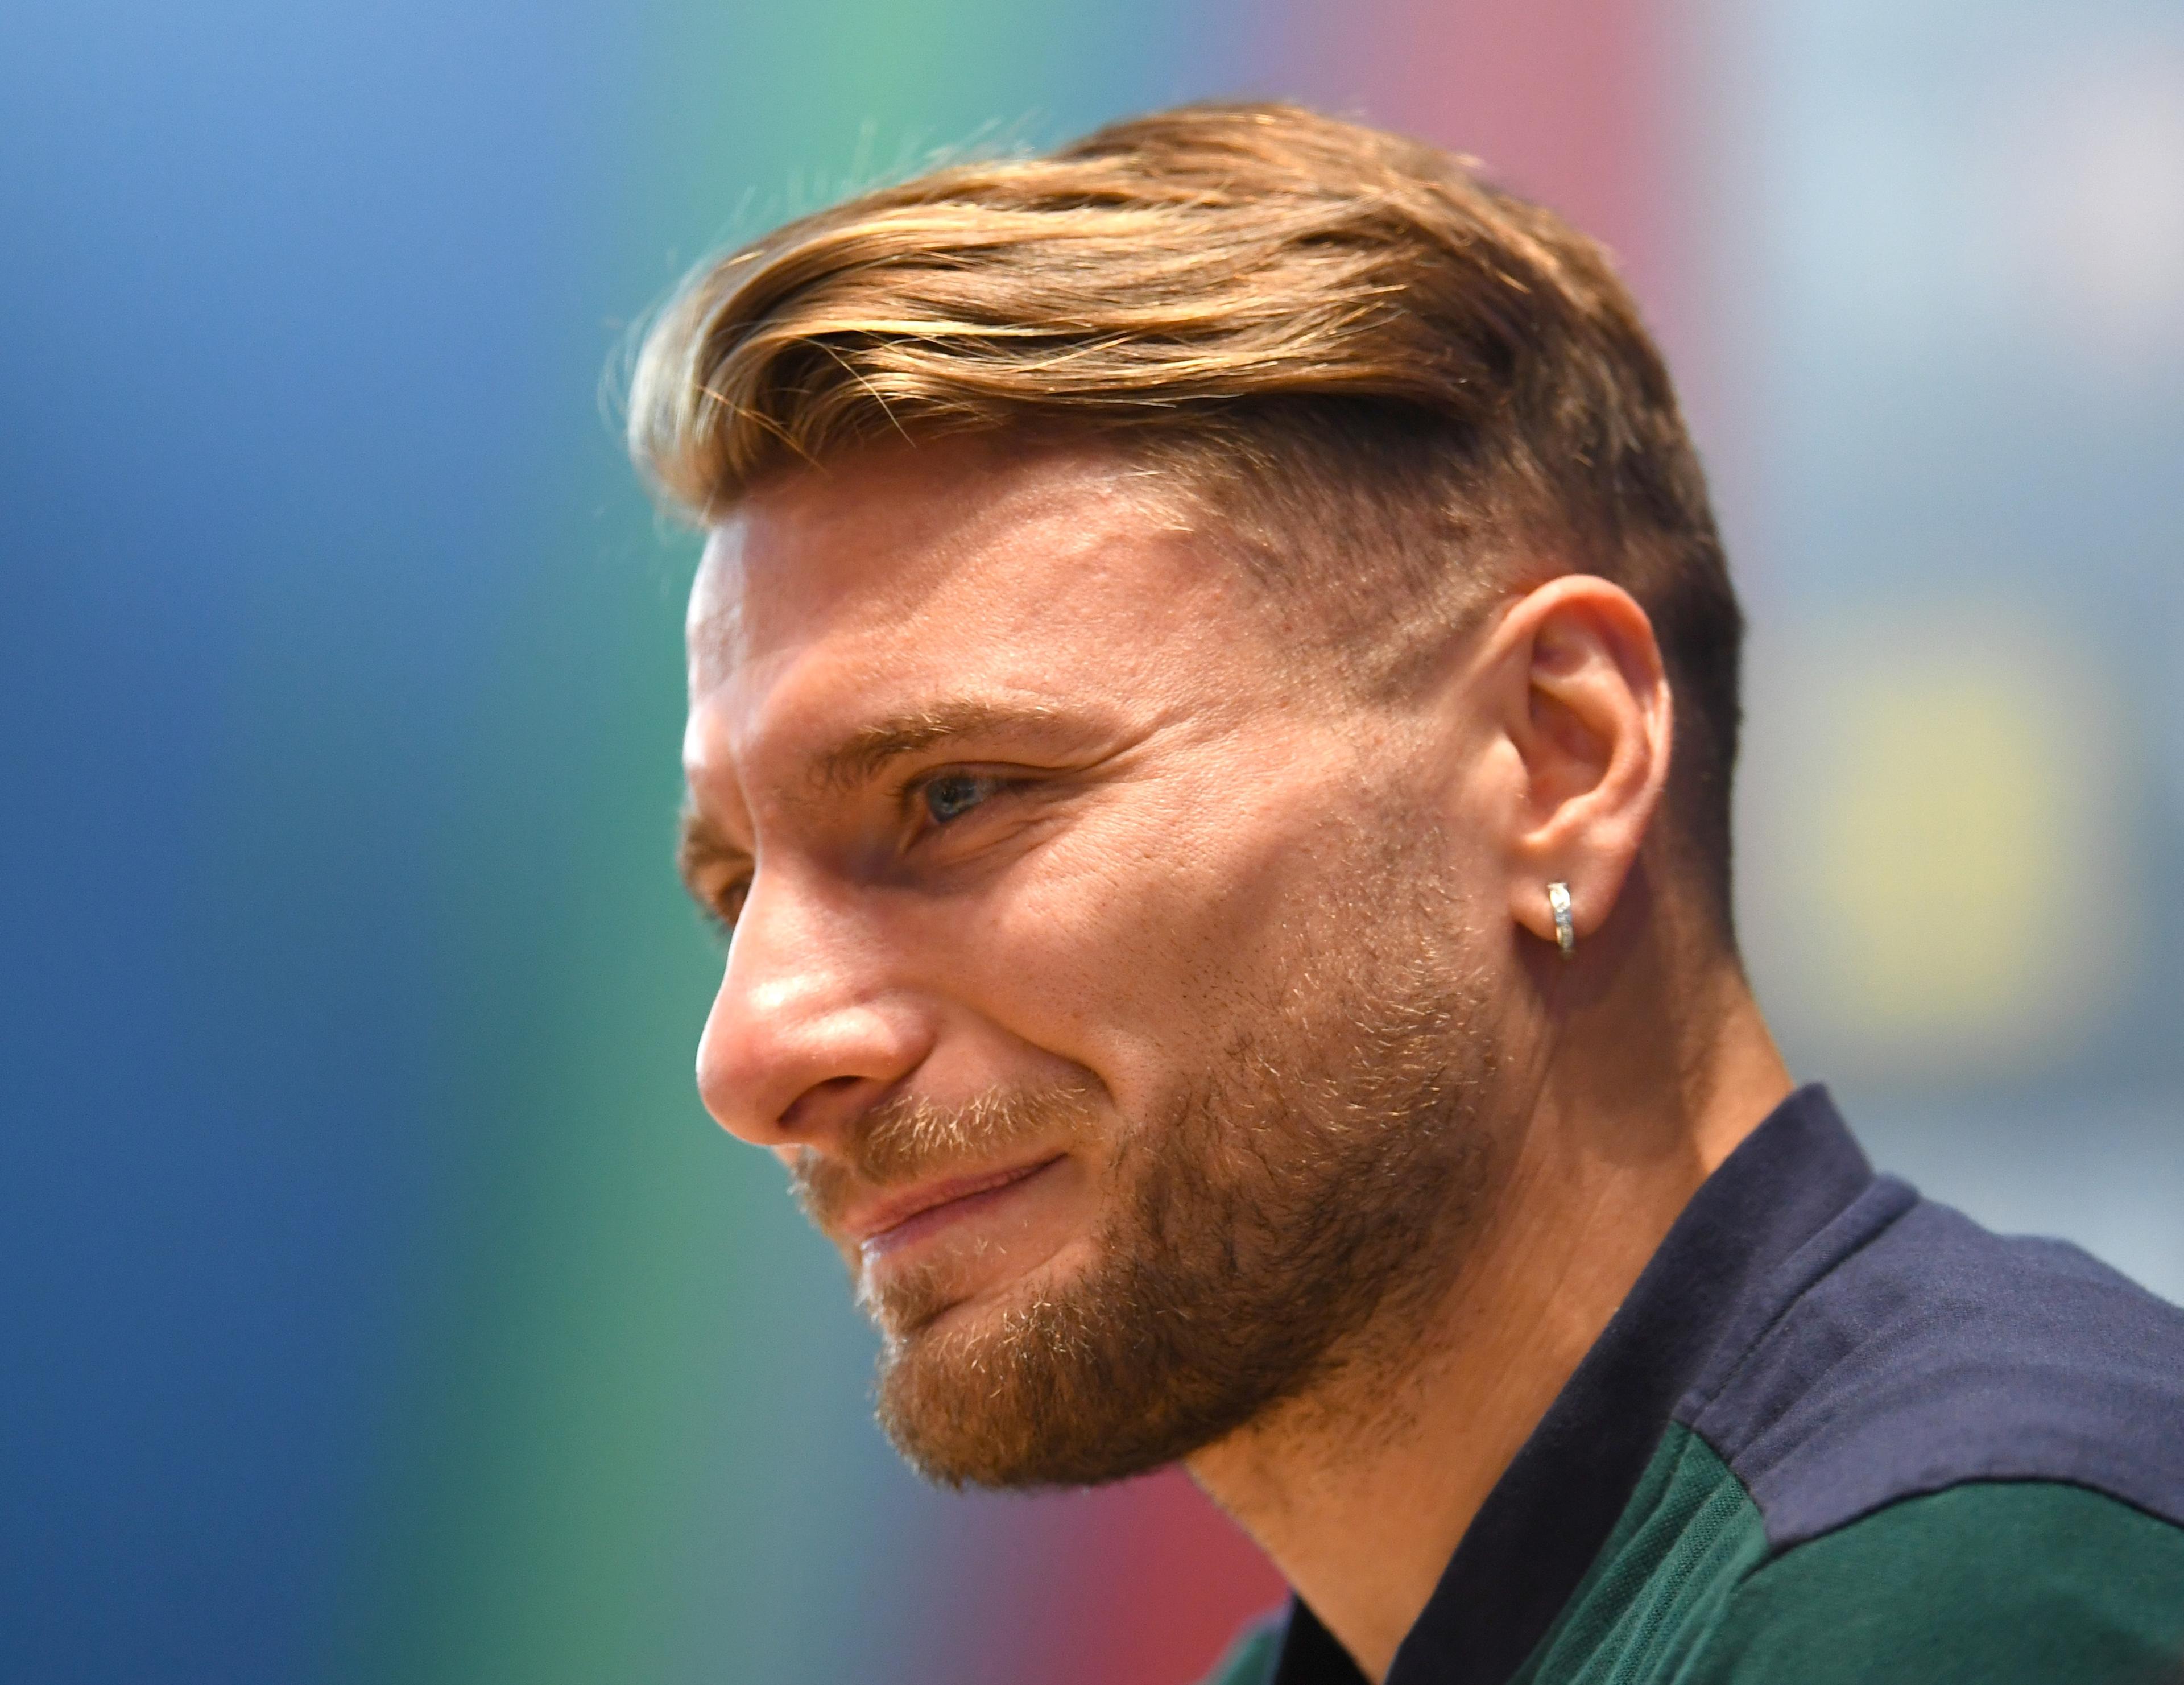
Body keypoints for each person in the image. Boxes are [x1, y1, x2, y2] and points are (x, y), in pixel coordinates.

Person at [626, 102, 2184, 1684]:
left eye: (954, 797)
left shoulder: (1971, 1596)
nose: (751, 1050)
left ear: (1554, 759)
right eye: (736, 882)